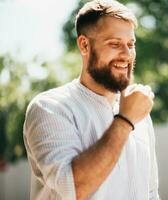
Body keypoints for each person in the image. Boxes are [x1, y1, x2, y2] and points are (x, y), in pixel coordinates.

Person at [23, 0, 159, 199]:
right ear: (84, 45)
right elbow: (72, 189)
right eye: (115, 44)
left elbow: (150, 192)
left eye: (131, 44)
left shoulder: (140, 112)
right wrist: (125, 121)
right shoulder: (49, 108)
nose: (127, 54)